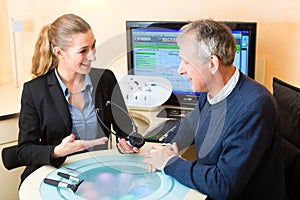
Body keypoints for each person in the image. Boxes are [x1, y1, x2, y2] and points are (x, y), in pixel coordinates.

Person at [119, 19, 287, 199]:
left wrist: (169, 162)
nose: (180, 70)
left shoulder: (253, 107)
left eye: (186, 62)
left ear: (213, 64)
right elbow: (188, 128)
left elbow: (223, 185)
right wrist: (165, 148)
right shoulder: (212, 92)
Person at [17, 13, 131, 185]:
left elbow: (126, 130)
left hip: (97, 172)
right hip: (56, 172)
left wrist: (130, 142)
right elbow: (24, 151)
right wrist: (56, 151)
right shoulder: (34, 91)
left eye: (93, 46)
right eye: (83, 50)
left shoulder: (105, 79)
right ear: (59, 53)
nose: (93, 56)